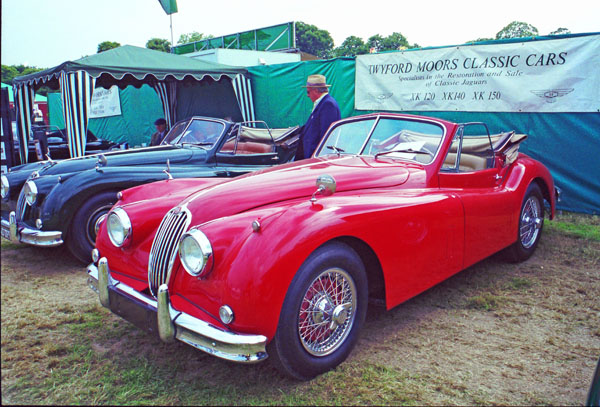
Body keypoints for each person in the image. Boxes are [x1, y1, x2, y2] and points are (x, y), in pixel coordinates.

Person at [295, 74, 341, 160]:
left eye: (308, 92)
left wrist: (319, 158)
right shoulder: (322, 103)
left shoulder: (328, 105)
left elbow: (326, 136)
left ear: (316, 90)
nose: (307, 95)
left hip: (317, 158)